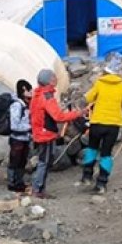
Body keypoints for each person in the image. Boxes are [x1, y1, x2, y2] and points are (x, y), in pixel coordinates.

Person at [78, 56, 122, 194]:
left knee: (92, 148)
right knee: (106, 154)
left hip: (97, 122)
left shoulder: (99, 83)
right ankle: (101, 183)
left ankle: (87, 177)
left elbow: (87, 98)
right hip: (113, 125)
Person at [29, 68, 81, 199]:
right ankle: (37, 189)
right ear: (50, 81)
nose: (56, 79)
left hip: (39, 133)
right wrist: (77, 113)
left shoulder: (37, 95)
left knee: (43, 161)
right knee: (44, 162)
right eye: (54, 77)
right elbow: (59, 117)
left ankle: (39, 188)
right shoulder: (47, 97)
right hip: (45, 135)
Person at [7, 79, 34, 193]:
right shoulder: (17, 105)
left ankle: (19, 182)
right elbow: (14, 125)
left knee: (22, 161)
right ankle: (13, 183)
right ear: (23, 90)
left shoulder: (24, 104)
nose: (31, 92)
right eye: (29, 90)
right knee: (15, 161)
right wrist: (29, 127)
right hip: (17, 138)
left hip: (24, 138)